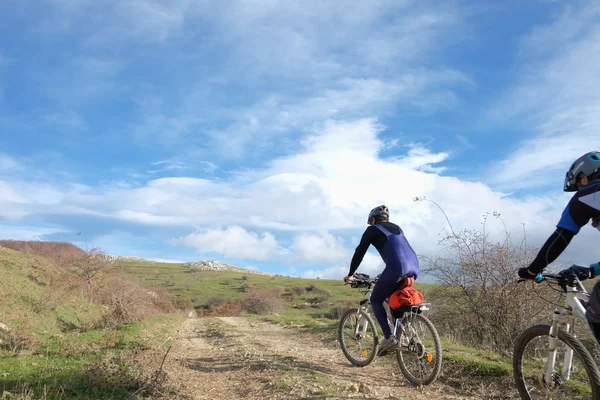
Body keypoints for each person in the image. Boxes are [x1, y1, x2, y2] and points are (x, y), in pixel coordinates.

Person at [518, 151, 600, 339]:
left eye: (578, 184)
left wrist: (531, 271)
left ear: (584, 177)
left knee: (596, 309)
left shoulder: (587, 195)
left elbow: (560, 238)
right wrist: (594, 270)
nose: (579, 188)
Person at [344, 205, 420, 355]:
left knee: (376, 299)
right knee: (394, 299)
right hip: (414, 266)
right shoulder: (397, 228)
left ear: (373, 219)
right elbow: (398, 250)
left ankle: (388, 337)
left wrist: (351, 274)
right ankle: (400, 336)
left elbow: (360, 252)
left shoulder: (372, 229)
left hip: (396, 267)